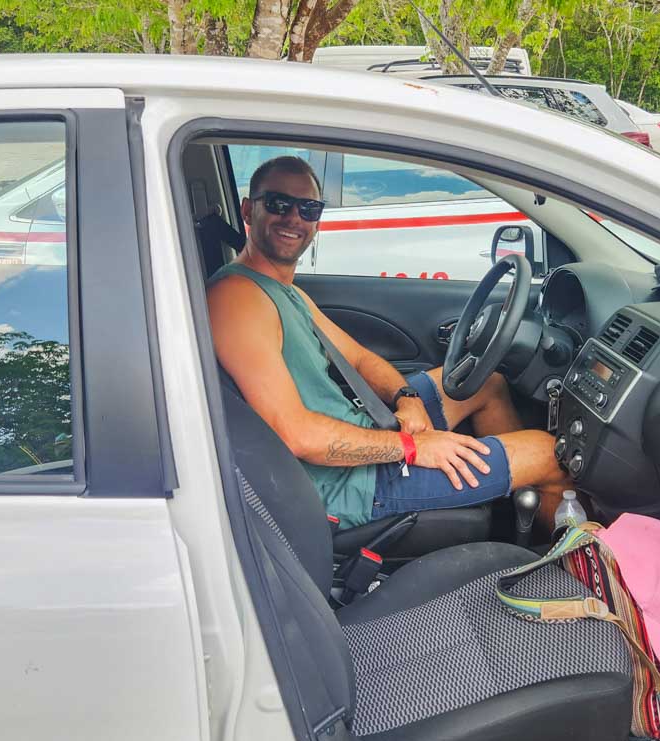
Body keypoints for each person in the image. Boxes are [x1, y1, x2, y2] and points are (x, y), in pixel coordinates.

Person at [207, 155, 569, 532]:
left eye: (309, 208)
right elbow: (297, 436)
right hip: (345, 484)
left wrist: (406, 399)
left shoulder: (282, 290)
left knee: (486, 384)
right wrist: (412, 447)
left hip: (360, 437)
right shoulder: (237, 299)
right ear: (248, 210)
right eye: (279, 203)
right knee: (549, 455)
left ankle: (513, 500)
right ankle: (558, 543)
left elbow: (360, 360)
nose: (294, 218)